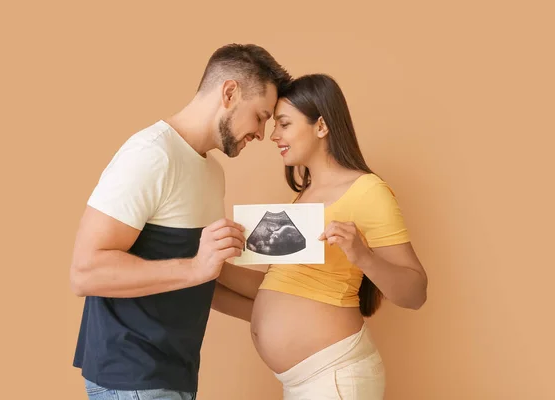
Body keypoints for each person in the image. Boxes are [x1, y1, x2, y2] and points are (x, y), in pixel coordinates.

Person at [69, 43, 291, 400]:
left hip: (174, 373)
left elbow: (205, 278)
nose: (261, 134)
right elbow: (85, 272)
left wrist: (286, 306)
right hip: (132, 376)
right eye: (261, 116)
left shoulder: (211, 172)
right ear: (230, 93)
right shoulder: (150, 155)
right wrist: (197, 267)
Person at [214, 73, 428, 399]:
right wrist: (210, 273)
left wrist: (362, 256)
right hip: (301, 382)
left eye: (284, 124)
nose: (273, 135)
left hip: (334, 377)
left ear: (321, 126)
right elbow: (283, 289)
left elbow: (415, 294)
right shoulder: (302, 198)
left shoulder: (368, 192)